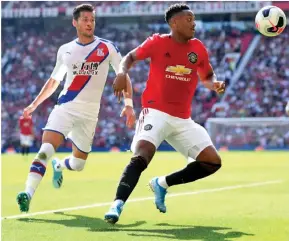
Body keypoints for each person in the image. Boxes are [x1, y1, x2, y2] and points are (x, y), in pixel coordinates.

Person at [104, 3, 225, 224]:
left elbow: (206, 75)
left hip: (183, 119)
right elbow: (129, 57)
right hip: (155, 112)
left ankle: (162, 184)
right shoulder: (157, 42)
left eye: (193, 19)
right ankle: (117, 204)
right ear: (174, 23)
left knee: (212, 162)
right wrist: (121, 72)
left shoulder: (198, 48)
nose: (193, 23)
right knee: (142, 155)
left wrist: (213, 83)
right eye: (188, 19)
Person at [16, 4, 136, 213]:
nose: (90, 23)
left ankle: (60, 166)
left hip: (90, 113)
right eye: (85, 19)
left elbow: (123, 75)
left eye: (92, 20)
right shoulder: (65, 50)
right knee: (45, 150)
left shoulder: (107, 48)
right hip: (65, 107)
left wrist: (128, 105)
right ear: (75, 22)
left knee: (79, 164)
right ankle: (27, 193)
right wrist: (34, 104)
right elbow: (54, 81)